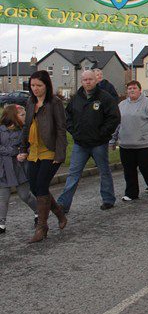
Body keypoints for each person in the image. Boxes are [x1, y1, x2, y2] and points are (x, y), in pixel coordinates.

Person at [58, 70, 121, 213]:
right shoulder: (76, 98)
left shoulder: (105, 97)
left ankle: (108, 199)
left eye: (90, 79)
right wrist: (74, 132)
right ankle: (63, 204)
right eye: (85, 80)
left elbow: (114, 118)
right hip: (80, 144)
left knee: (104, 172)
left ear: (96, 80)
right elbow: (67, 116)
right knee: (73, 174)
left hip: (99, 143)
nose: (88, 82)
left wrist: (102, 133)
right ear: (81, 81)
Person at [19, 70, 67, 243]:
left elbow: (61, 129)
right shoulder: (30, 102)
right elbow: (26, 127)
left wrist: (60, 154)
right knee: (36, 187)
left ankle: (42, 227)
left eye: (39, 85)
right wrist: (23, 148)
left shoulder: (55, 103)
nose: (35, 88)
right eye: (32, 85)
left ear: (46, 85)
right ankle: (59, 213)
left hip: (50, 150)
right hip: (34, 151)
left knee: (41, 185)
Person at [111, 81, 148, 201]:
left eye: (134, 88)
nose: (132, 90)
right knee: (129, 170)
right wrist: (112, 139)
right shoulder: (122, 105)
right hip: (126, 144)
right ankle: (131, 193)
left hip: (145, 144)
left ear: (140, 90)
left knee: (146, 168)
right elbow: (116, 124)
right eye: (129, 88)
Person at [0, 105, 38, 234]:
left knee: (25, 195)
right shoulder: (1, 130)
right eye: (22, 115)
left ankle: (39, 212)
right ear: (13, 116)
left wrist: (25, 152)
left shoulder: (24, 131)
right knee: (3, 198)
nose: (25, 117)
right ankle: (1, 224)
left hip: (20, 168)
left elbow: (28, 146)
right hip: (3, 169)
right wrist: (14, 151)